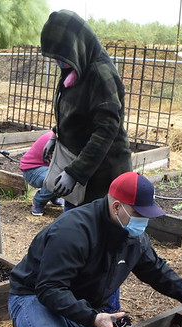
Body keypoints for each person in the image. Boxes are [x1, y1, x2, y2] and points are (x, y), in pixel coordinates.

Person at [9, 171, 182, 327]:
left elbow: (155, 270)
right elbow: (49, 289)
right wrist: (92, 317)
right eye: (137, 213)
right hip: (34, 294)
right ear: (116, 207)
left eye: (146, 213)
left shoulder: (132, 235)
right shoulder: (73, 232)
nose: (143, 220)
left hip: (77, 299)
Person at [39, 9, 132, 209]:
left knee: (90, 234)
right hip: (82, 173)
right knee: (76, 230)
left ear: (76, 45)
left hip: (103, 177)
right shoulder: (75, 67)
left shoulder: (101, 75)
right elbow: (76, 114)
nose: (58, 62)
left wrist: (75, 173)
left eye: (61, 56)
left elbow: (106, 130)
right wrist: (55, 136)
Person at [20, 131, 64, 216]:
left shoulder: (64, 134)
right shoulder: (60, 139)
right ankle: (38, 201)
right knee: (56, 180)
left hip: (46, 167)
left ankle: (53, 196)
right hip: (32, 169)